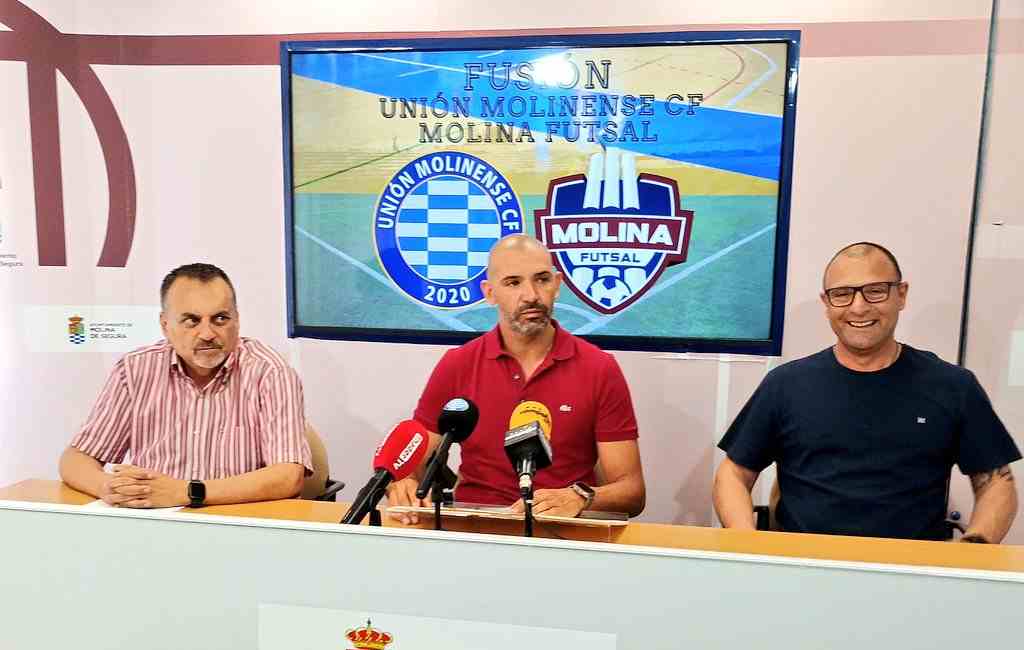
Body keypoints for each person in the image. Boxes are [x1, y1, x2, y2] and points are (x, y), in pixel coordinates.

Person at [714, 242, 1019, 542]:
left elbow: (996, 484)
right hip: (805, 565)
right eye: (842, 294)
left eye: (875, 291)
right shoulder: (785, 385)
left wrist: (974, 547)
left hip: (913, 569)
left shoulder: (953, 386)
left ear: (901, 294)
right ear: (826, 303)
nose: (858, 307)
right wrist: (747, 543)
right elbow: (733, 475)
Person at [387, 234, 645, 523]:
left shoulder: (599, 368)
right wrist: (402, 483)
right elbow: (412, 464)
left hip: (565, 532)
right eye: (513, 283)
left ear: (557, 285)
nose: (531, 295)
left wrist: (580, 496)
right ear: (489, 293)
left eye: (542, 279)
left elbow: (632, 492)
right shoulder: (457, 365)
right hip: (474, 529)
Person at [59, 263, 312, 508]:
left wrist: (187, 492)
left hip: (238, 522)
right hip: (155, 521)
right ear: (165, 325)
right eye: (191, 321)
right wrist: (108, 487)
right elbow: (76, 459)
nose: (207, 334)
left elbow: (288, 476)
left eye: (220, 319)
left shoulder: (270, 372)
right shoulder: (134, 370)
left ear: (237, 320)